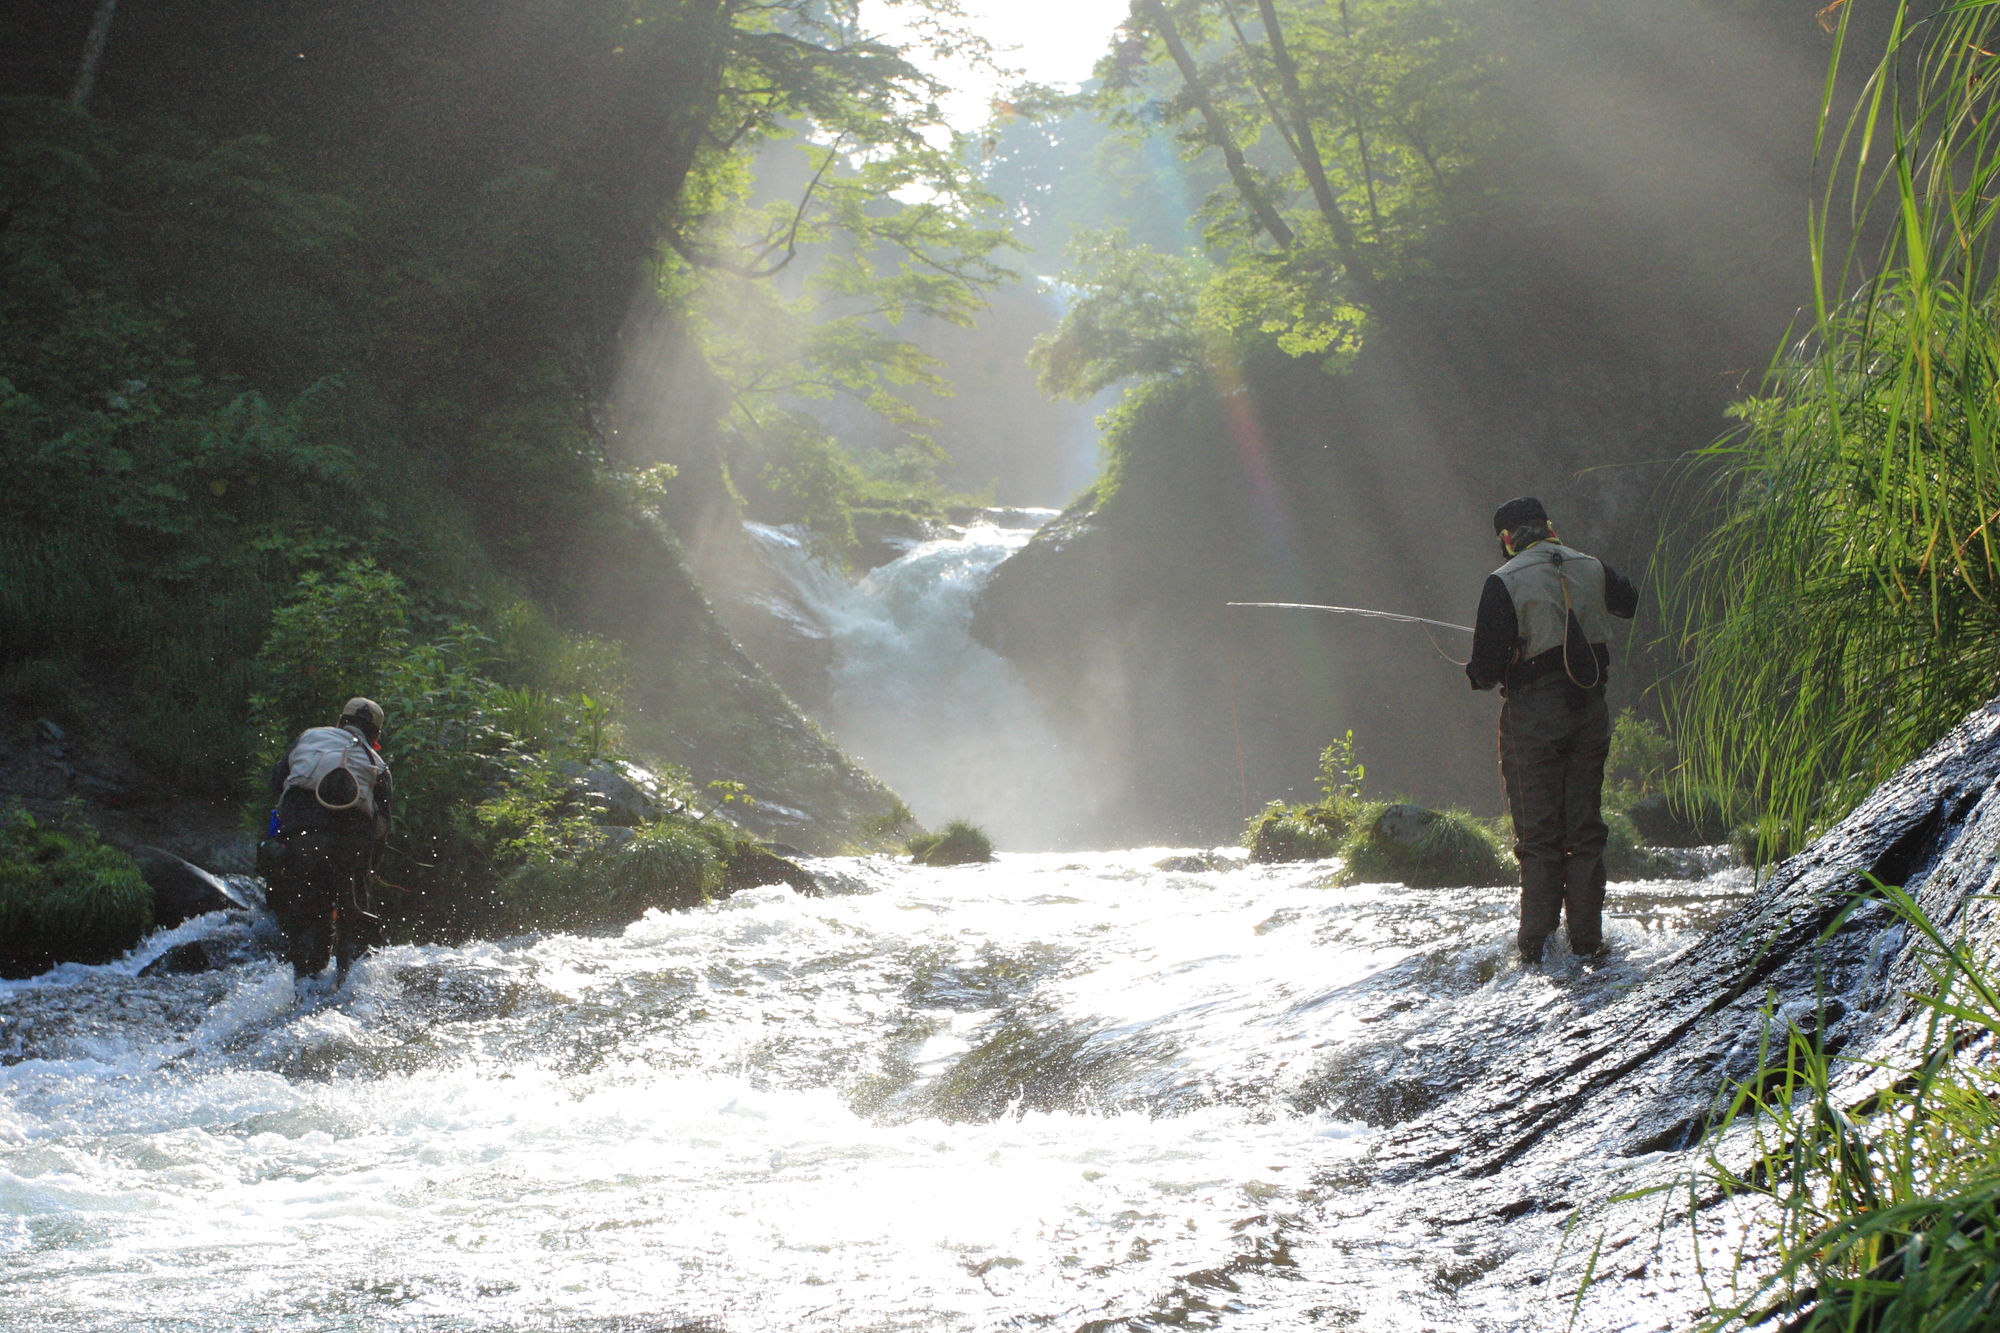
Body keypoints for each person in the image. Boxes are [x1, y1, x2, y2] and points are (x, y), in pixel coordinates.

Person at [1465, 498, 1638, 965]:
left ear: (1506, 539)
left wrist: (1477, 669)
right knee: (1584, 830)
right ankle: (1586, 944)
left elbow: (1484, 671)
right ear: (1548, 527)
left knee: (1539, 835)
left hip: (1533, 719)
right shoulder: (1592, 567)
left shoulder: (1503, 581)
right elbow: (1629, 602)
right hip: (1590, 710)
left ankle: (1536, 950)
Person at [266, 697, 392, 982]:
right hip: (351, 845)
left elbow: (275, 782)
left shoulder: (308, 738)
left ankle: (305, 990)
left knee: (308, 914)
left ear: (339, 721)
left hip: (301, 839)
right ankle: (349, 988)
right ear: (375, 735)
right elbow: (382, 826)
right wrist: (368, 869)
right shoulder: (378, 764)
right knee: (354, 917)